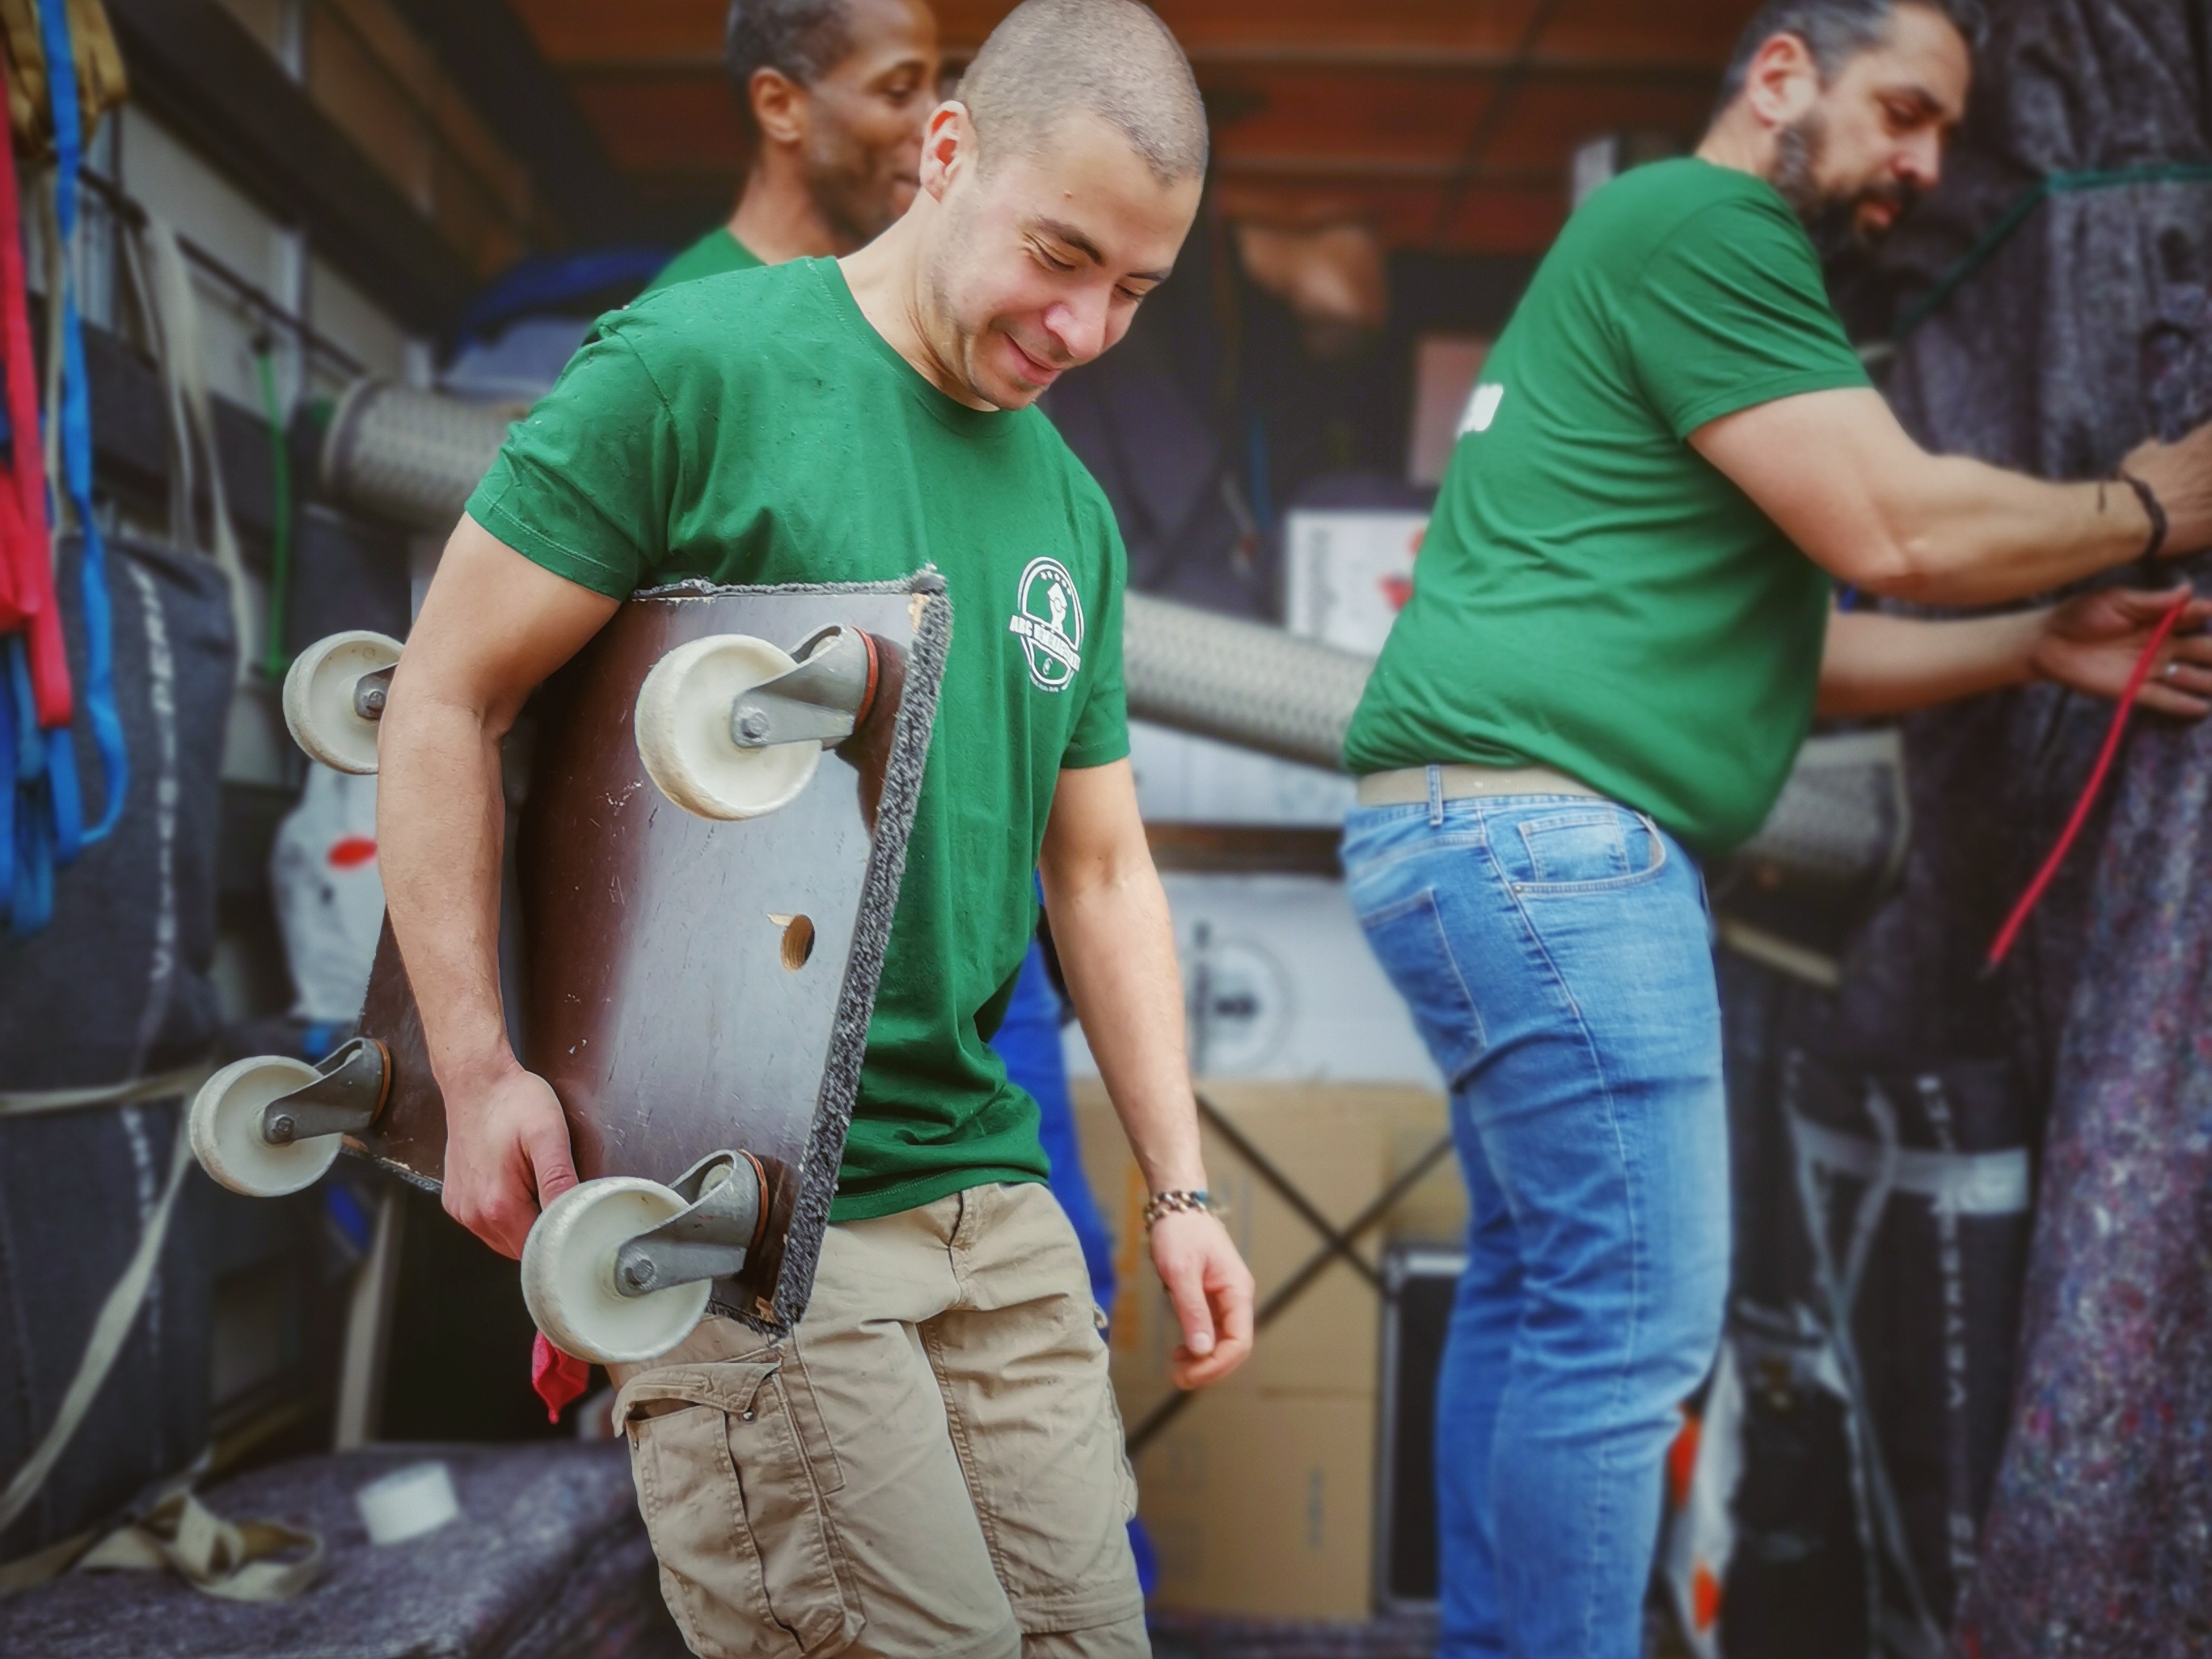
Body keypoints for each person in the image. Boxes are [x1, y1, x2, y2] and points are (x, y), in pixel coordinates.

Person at [374, 3, 1253, 1655]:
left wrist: (1180, 1193)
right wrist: (476, 1072)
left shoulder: (1073, 510)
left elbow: (1099, 869)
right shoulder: (691, 368)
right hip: (754, 1202)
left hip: (992, 1206)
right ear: (946, 153)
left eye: (1135, 290)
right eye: (1060, 256)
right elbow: (443, 696)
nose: (1084, 328)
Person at [1336, 2, 2212, 1654]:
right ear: (1785, 73)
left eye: (1946, 135)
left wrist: (2034, 647)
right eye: (1905, 111)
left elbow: (1792, 655)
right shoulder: (1709, 223)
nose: (1924, 166)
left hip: (1461, 840)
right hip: (1557, 849)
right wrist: (2148, 506)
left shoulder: (1675, 279)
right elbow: (1898, 526)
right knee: (1630, 1332)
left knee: (1541, 1304)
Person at [642, 0, 939, 295]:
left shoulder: (917, 290)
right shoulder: (683, 312)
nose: (936, 124)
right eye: (900, 91)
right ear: (779, 106)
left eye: (937, 86)